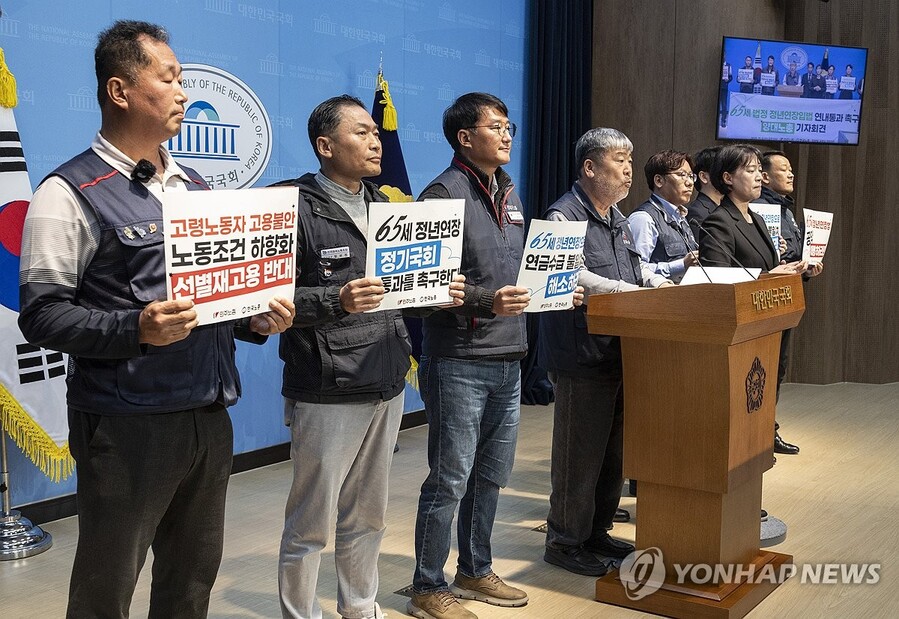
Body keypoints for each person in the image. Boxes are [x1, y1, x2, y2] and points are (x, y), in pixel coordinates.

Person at [17, 20, 295, 618]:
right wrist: (135, 329)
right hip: (125, 425)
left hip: (208, 412)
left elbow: (214, 298)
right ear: (120, 91)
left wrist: (254, 320)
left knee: (191, 580)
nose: (183, 93)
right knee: (106, 586)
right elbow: (41, 316)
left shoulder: (195, 186)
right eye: (168, 79)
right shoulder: (68, 192)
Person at [272, 95, 464, 619]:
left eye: (376, 132)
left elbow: (405, 294)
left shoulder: (390, 206)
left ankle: (360, 607)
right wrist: (335, 299)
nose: (376, 140)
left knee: (368, 516)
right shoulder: (291, 206)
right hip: (326, 385)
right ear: (325, 145)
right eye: (361, 132)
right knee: (310, 523)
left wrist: (438, 292)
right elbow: (267, 297)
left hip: (387, 376)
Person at [408, 92, 533, 619]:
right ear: (465, 138)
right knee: (450, 478)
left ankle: (475, 569)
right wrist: (487, 302)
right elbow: (422, 284)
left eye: (509, 127)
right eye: (495, 127)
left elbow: (514, 270)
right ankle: (426, 585)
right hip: (459, 357)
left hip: (510, 355)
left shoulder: (509, 190)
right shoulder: (441, 195)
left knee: (492, 474)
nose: (506, 135)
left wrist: (553, 287)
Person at [539, 128, 672, 577]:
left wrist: (659, 285)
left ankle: (596, 531)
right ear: (590, 167)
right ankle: (564, 541)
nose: (629, 169)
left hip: (620, 351)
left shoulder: (618, 218)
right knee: (579, 457)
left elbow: (636, 270)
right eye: (620, 160)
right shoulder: (562, 215)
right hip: (581, 354)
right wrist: (628, 292)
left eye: (631, 161)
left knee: (612, 456)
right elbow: (574, 275)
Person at [758, 151, 825, 456]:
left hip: (787, 296)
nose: (791, 174)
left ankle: (767, 430)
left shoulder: (784, 208)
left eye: (791, 169)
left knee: (777, 368)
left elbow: (791, 256)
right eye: (783, 169)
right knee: (765, 369)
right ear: (765, 176)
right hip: (766, 298)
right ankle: (760, 434)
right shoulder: (761, 209)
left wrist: (806, 267)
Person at [628, 150, 699, 284]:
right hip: (659, 294)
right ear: (659, 180)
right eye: (682, 175)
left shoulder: (681, 217)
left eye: (691, 176)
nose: (689, 182)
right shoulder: (643, 219)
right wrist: (681, 265)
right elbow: (635, 269)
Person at [686, 146, 723, 239]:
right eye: (722, 170)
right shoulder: (696, 213)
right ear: (704, 177)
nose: (728, 176)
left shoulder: (726, 207)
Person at [719, 60, 733, 127]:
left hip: (724, 88)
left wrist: (728, 80)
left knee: (724, 105)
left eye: (724, 55)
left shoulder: (728, 66)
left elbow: (731, 77)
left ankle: (723, 121)